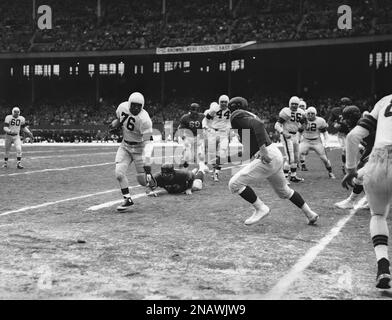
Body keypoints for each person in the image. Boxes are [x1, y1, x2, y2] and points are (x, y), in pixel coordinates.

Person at [227, 96, 319, 226]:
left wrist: (263, 150)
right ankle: (310, 214)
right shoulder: (249, 116)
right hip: (275, 154)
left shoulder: (236, 115)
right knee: (285, 191)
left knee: (234, 184)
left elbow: (258, 125)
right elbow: (249, 151)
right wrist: (225, 159)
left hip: (268, 155)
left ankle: (260, 208)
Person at [342, 94, 392, 289]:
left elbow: (353, 136)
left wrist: (352, 170)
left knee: (378, 215)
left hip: (378, 159)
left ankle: (383, 266)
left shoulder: (384, 101)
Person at [108, 92, 155, 212]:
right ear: (129, 103)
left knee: (143, 181)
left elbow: (148, 142)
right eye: (133, 105)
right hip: (125, 146)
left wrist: (147, 162)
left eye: (138, 106)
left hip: (139, 149)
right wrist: (116, 123)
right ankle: (127, 199)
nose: (135, 108)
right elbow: (120, 119)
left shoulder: (145, 120)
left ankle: (153, 181)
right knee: (119, 173)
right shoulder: (122, 107)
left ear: (142, 106)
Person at [336, 107, 375, 209]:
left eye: (346, 118)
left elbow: (372, 146)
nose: (344, 121)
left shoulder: (364, 125)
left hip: (383, 154)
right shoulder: (361, 125)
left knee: (360, 175)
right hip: (379, 154)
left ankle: (351, 201)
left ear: (352, 117)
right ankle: (371, 201)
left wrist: (361, 162)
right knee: (365, 175)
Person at [274, 96, 306, 182]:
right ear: (289, 104)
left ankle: (293, 176)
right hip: (287, 135)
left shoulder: (301, 112)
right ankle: (284, 178)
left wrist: (300, 131)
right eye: (293, 104)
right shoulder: (286, 112)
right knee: (290, 158)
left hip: (295, 135)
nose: (294, 106)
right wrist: (283, 132)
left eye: (296, 104)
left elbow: (303, 125)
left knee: (295, 157)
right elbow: (276, 125)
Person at [298, 107, 336, 178]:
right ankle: (291, 173)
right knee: (296, 155)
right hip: (305, 141)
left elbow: (325, 133)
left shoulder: (320, 121)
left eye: (312, 113)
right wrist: (298, 140)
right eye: (308, 113)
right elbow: (299, 132)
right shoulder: (303, 120)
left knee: (324, 159)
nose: (310, 115)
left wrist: (326, 143)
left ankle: (330, 172)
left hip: (317, 142)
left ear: (315, 114)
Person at [204, 95, 231, 182]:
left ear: (228, 102)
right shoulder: (214, 109)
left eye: (225, 102)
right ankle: (214, 168)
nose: (223, 103)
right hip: (213, 132)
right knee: (212, 153)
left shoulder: (231, 110)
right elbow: (206, 119)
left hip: (224, 133)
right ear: (219, 102)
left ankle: (216, 172)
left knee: (222, 153)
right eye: (222, 101)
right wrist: (207, 127)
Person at [177, 102, 206, 168]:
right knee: (188, 153)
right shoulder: (185, 117)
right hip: (188, 137)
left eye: (196, 110)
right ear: (190, 110)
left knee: (200, 153)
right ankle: (184, 161)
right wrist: (184, 138)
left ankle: (201, 166)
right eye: (193, 110)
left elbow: (205, 126)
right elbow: (180, 130)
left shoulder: (202, 116)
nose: (194, 112)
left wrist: (202, 136)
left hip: (198, 136)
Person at [328, 97, 352, 174]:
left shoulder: (352, 111)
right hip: (341, 134)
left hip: (350, 133)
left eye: (347, 105)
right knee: (345, 150)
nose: (345, 106)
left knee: (350, 151)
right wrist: (335, 124)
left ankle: (347, 166)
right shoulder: (336, 111)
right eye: (344, 105)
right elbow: (330, 121)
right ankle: (344, 166)